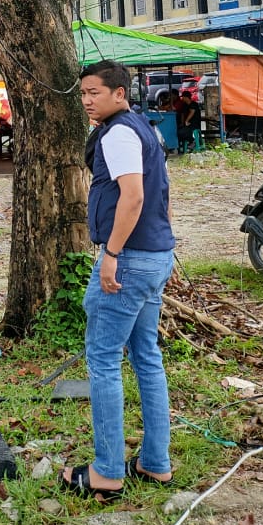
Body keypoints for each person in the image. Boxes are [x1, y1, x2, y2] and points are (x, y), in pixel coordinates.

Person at [61, 60, 175, 499]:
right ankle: (154, 462)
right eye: (84, 94)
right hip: (154, 255)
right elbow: (163, 193)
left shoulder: (121, 133)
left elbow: (135, 196)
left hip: (128, 260)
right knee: (147, 355)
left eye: (95, 92)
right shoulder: (143, 128)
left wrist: (111, 254)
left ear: (119, 93)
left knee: (104, 359)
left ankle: (107, 470)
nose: (88, 101)